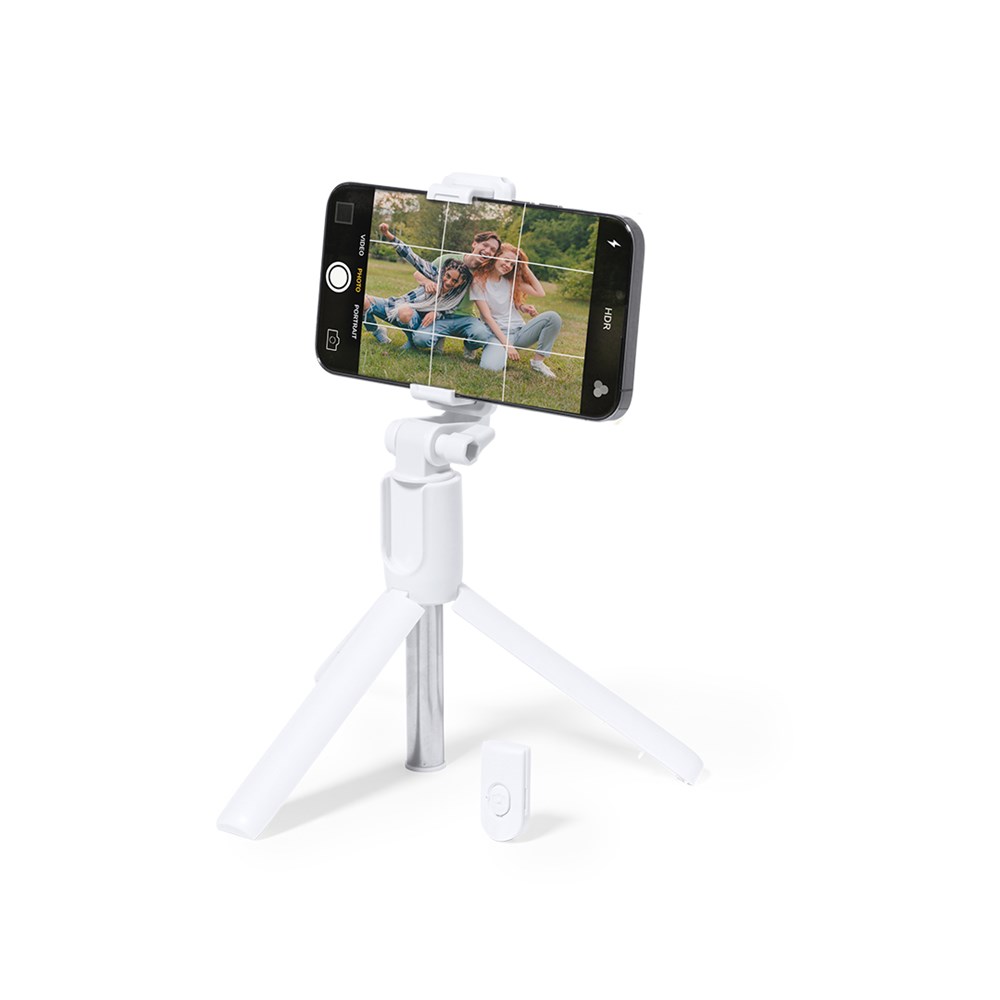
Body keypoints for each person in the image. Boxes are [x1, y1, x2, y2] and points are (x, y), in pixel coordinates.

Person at [363, 223, 473, 351]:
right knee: (363, 301)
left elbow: (448, 313)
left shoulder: (457, 295)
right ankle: (377, 331)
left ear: (461, 283)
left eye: (454, 281)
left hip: (416, 320)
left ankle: (411, 341)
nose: (448, 282)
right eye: (447, 276)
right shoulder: (435, 275)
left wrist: (436, 313)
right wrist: (389, 236)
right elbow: (412, 257)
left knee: (404, 312)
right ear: (445, 271)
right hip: (398, 305)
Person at [467, 243, 562, 377]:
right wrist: (508, 346)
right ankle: (486, 349)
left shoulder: (509, 281)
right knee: (490, 368)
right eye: (506, 260)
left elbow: (540, 292)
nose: (508, 266)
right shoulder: (478, 282)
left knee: (553, 317)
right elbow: (487, 317)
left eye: (512, 264)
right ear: (496, 257)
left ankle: (538, 362)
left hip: (519, 332)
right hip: (498, 335)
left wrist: (523, 265)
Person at [410, 231, 502, 358]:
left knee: (482, 334)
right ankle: (438, 336)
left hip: (464, 317)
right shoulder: (448, 259)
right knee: (420, 339)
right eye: (485, 245)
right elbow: (417, 274)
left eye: (493, 250)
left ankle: (469, 345)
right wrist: (427, 282)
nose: (488, 251)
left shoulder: (485, 273)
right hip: (439, 314)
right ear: (474, 244)